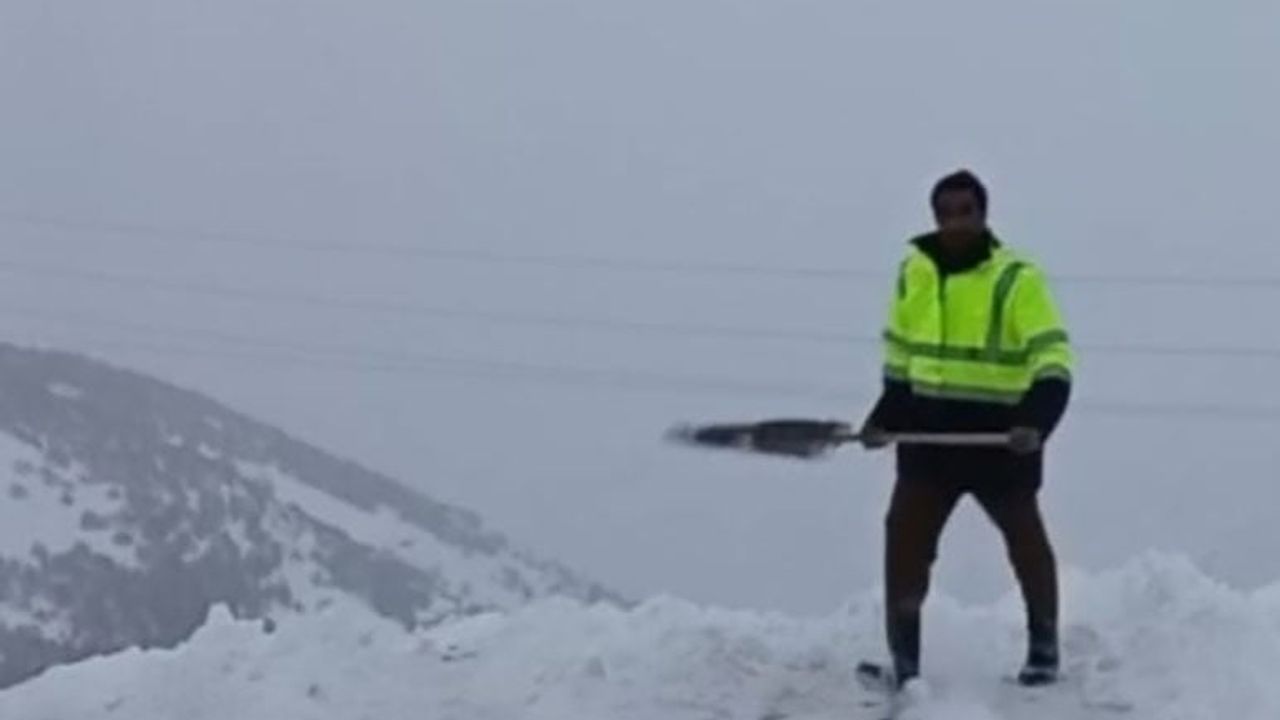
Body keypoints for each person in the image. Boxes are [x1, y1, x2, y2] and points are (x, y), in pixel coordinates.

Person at [858, 169, 1074, 689]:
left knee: (1026, 542)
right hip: (929, 442)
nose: (955, 223)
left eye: (966, 212)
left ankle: (1044, 652)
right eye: (946, 213)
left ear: (983, 215)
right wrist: (884, 419)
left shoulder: (1016, 278)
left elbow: (1053, 360)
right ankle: (904, 664)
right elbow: (902, 359)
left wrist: (1036, 423)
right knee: (903, 542)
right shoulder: (915, 271)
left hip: (1002, 440)